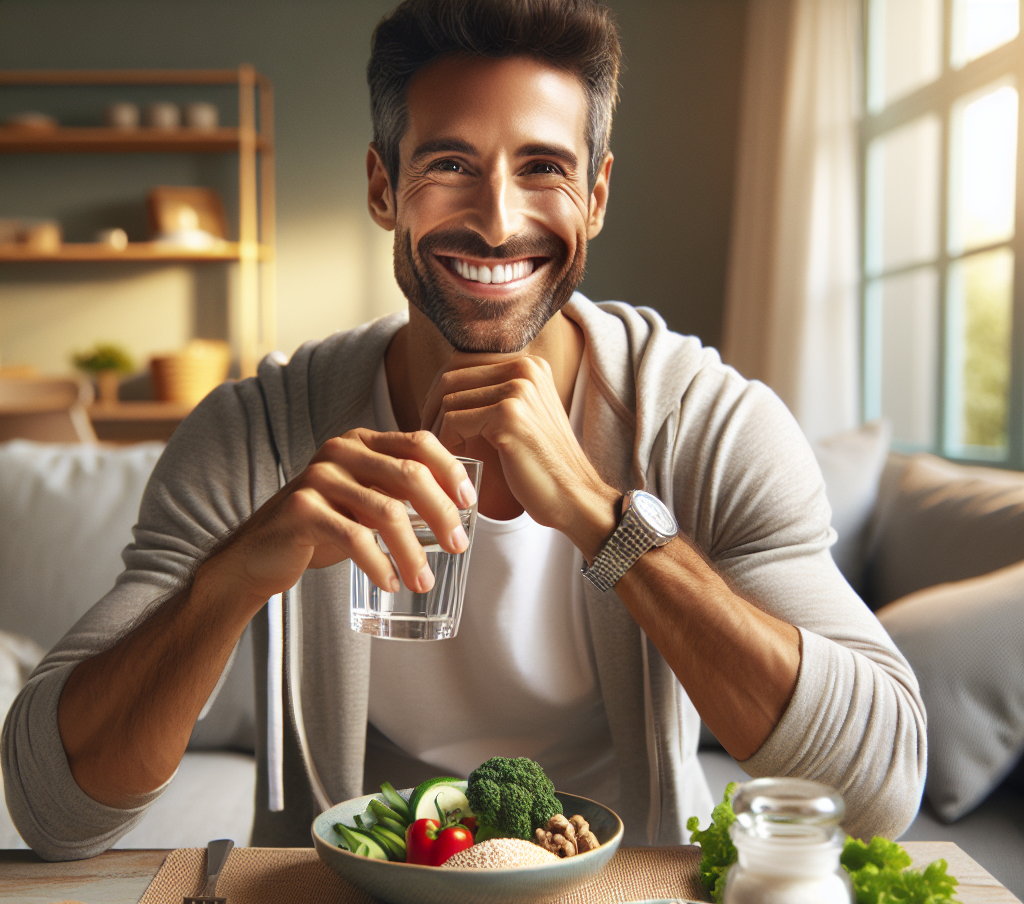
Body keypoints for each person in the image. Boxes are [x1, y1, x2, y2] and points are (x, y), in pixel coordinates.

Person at [3, 0, 925, 860]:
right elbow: (54, 809)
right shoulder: (257, 434)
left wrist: (610, 526)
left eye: (543, 168)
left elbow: (879, 787)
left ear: (596, 197)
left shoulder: (707, 422)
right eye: (448, 164)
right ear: (382, 186)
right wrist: (233, 577)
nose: (496, 220)